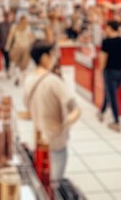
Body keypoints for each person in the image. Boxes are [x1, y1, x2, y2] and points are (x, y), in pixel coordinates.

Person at [24, 40, 80, 182]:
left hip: (38, 141)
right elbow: (76, 109)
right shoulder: (54, 81)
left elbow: (29, 109)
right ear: (44, 57)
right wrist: (65, 123)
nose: (55, 58)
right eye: (52, 54)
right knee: (54, 183)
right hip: (55, 142)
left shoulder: (28, 80)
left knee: (42, 182)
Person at [97, 20, 121, 132]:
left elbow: (103, 58)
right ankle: (101, 111)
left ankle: (116, 121)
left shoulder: (106, 42)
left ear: (110, 28)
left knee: (112, 96)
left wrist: (101, 69)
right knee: (110, 92)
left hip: (110, 71)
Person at [7, 15, 34, 85]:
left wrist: (8, 45)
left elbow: (30, 37)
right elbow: (10, 36)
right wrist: (8, 45)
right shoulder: (16, 27)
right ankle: (19, 78)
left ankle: (19, 77)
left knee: (20, 65)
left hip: (21, 48)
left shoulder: (26, 28)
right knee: (20, 65)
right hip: (21, 48)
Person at [0, 10, 14, 78]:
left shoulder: (11, 25)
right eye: (5, 16)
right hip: (1, 44)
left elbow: (13, 35)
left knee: (7, 57)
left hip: (8, 45)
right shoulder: (0, 25)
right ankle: (4, 69)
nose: (6, 18)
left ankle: (7, 70)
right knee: (2, 57)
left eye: (7, 16)